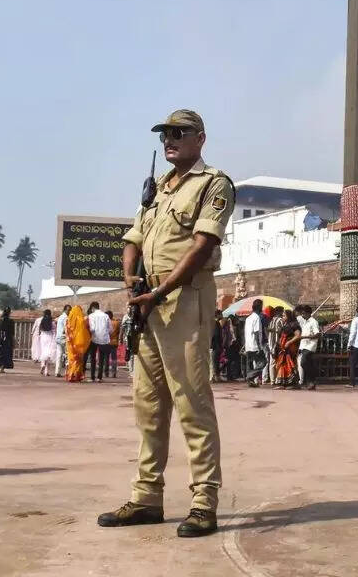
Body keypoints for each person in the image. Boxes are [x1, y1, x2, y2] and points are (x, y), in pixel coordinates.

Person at [98, 108, 235, 539]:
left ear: (201, 138)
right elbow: (133, 238)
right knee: (149, 405)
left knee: (192, 402)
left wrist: (160, 290)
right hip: (148, 302)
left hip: (184, 299)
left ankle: (203, 502)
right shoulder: (158, 190)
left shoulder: (214, 184)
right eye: (165, 134)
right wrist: (129, 277)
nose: (169, 140)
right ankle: (146, 498)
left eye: (179, 133)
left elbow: (201, 246)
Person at [87, 302, 112, 384]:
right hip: (104, 339)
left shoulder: (91, 316)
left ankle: (92, 377)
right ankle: (99, 377)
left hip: (94, 339)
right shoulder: (106, 316)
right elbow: (110, 329)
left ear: (92, 308)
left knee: (93, 358)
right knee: (101, 359)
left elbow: (92, 329)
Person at [296, 305, 320, 390]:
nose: (302, 315)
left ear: (308, 313)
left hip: (310, 346)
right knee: (306, 364)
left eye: (303, 313)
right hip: (304, 346)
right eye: (302, 313)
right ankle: (310, 382)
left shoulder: (313, 322)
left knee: (303, 363)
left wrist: (305, 337)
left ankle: (311, 380)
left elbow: (317, 334)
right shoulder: (306, 322)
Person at [244, 299, 265, 388]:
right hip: (255, 345)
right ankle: (250, 376)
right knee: (263, 362)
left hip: (248, 344)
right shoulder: (256, 318)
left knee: (251, 363)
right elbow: (256, 333)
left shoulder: (248, 318)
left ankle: (251, 381)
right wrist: (260, 346)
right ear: (259, 307)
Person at [65, 305, 90, 382]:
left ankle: (70, 375)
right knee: (78, 360)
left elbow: (66, 332)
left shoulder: (68, 321)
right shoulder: (82, 321)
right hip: (80, 343)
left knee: (72, 359)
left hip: (70, 343)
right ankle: (76, 375)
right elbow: (86, 331)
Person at [275, 317, 301, 389]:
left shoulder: (294, 325)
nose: (282, 317)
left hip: (290, 349)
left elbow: (298, 335)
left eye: (284, 315)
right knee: (282, 365)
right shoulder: (285, 325)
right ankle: (282, 384)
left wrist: (289, 342)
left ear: (289, 316)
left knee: (290, 365)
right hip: (283, 349)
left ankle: (293, 383)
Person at [32, 309, 58, 377]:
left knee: (43, 352)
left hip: (43, 337)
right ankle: (46, 371)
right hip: (50, 337)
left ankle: (43, 365)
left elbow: (39, 330)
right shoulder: (52, 322)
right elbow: (54, 331)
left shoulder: (41, 321)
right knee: (48, 354)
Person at [0, 307, 14, 373]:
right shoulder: (11, 321)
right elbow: (12, 332)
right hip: (7, 338)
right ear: (9, 313)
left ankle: (0, 365)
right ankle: (3, 367)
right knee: (6, 352)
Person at [54, 304, 70, 378]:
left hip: (58, 337)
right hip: (64, 338)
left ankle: (57, 371)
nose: (69, 311)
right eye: (69, 310)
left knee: (59, 355)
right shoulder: (66, 318)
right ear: (66, 310)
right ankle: (67, 372)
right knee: (67, 355)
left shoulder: (60, 317)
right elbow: (66, 329)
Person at [210, 310, 224, 383]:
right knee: (215, 362)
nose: (222, 315)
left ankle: (216, 376)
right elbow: (216, 335)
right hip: (215, 346)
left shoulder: (216, 323)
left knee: (216, 361)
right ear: (217, 315)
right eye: (221, 314)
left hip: (216, 346)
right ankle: (215, 377)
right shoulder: (215, 323)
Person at [107, 311, 121, 378]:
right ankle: (114, 372)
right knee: (114, 358)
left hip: (106, 342)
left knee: (105, 358)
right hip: (114, 342)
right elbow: (118, 332)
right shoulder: (117, 323)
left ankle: (106, 372)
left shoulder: (105, 323)